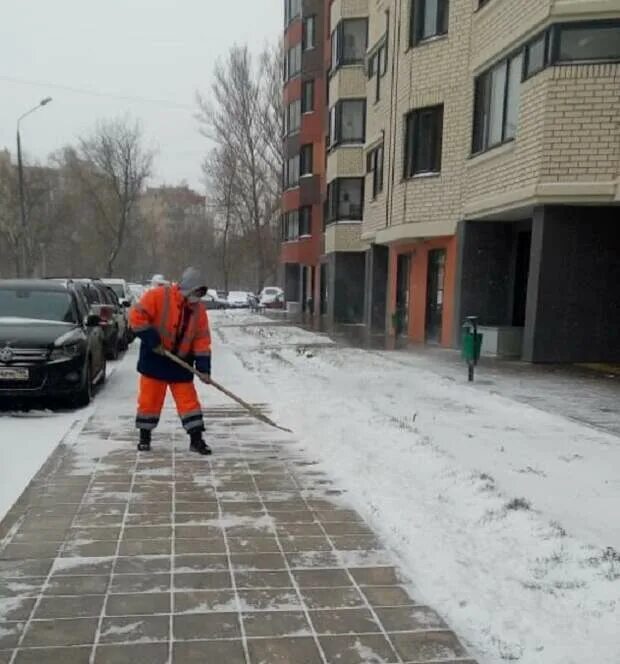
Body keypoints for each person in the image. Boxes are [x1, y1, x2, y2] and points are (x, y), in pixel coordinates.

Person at [129, 267, 212, 455]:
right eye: (194, 293)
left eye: (200, 295)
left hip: (180, 363)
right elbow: (136, 317)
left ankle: (196, 439)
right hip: (155, 359)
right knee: (149, 401)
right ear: (186, 289)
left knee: (189, 402)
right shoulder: (158, 296)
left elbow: (201, 340)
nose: (196, 299)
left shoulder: (199, 311)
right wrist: (153, 340)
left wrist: (204, 368)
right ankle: (144, 437)